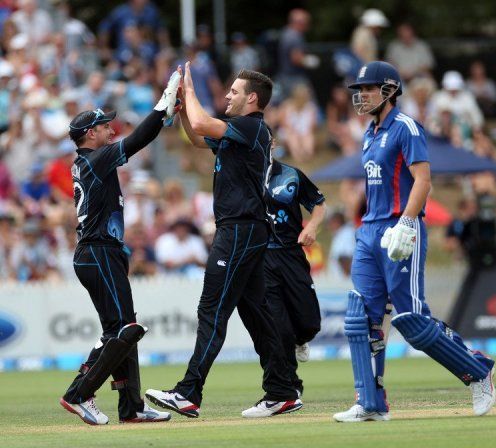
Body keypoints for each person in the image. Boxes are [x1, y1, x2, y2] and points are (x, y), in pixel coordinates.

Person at [333, 61, 496, 423]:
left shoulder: (406, 127)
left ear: (389, 90)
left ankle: (479, 370)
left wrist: (407, 221)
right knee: (361, 318)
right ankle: (370, 402)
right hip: (370, 230)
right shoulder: (369, 133)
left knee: (410, 320)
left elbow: (423, 180)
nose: (361, 96)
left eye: (368, 89)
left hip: (401, 227)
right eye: (358, 90)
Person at [145, 64, 302, 419]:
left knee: (212, 309)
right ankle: (281, 390)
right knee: (257, 313)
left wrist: (188, 87)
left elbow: (203, 125)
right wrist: (184, 106)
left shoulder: (249, 126)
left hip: (240, 229)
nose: (227, 96)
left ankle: (188, 392)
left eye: (233, 92)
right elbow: (198, 137)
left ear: (251, 98)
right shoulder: (242, 132)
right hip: (247, 229)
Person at [59, 70, 182, 425]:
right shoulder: (95, 161)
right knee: (125, 331)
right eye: (103, 126)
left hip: (102, 252)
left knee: (123, 330)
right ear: (89, 135)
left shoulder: (89, 163)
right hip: (97, 251)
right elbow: (141, 138)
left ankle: (131, 408)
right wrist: (163, 105)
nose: (110, 129)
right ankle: (79, 394)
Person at [264, 158, 326, 396]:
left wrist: (311, 227)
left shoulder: (291, 174)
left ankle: (302, 338)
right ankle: (290, 385)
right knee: (278, 326)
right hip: (261, 257)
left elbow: (319, 204)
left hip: (291, 252)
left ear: (272, 143)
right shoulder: (244, 170)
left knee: (309, 321)